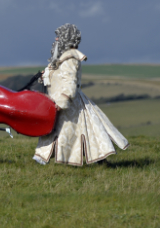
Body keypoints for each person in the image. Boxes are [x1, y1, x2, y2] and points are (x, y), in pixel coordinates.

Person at [33, 23, 129, 166]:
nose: (56, 40)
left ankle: (95, 162)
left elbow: (70, 84)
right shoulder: (61, 59)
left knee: (78, 133)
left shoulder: (70, 60)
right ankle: (44, 160)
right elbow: (57, 78)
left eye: (59, 37)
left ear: (66, 39)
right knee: (68, 133)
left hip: (69, 105)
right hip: (58, 102)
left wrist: (61, 103)